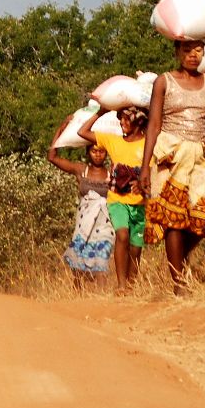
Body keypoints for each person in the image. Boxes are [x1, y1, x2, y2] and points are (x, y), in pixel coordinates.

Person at [138, 39, 205, 295]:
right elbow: (154, 125)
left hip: (200, 157)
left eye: (198, 50)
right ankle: (179, 283)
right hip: (170, 155)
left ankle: (177, 259)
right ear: (177, 52)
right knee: (174, 220)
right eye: (187, 50)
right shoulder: (164, 81)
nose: (193, 55)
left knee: (203, 218)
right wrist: (144, 167)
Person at [77, 105, 149, 294]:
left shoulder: (148, 144)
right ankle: (121, 285)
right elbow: (82, 132)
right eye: (120, 119)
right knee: (122, 236)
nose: (122, 123)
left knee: (135, 248)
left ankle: (131, 287)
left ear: (139, 121)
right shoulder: (112, 140)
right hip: (117, 199)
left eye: (127, 119)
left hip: (140, 202)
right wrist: (101, 112)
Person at [48, 115, 114, 290]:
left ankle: (102, 298)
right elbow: (52, 157)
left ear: (106, 153)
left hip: (105, 225)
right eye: (94, 151)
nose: (98, 155)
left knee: (102, 257)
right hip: (83, 225)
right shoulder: (80, 170)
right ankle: (78, 297)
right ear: (87, 153)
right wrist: (61, 129)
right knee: (78, 262)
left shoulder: (111, 173)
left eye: (101, 151)